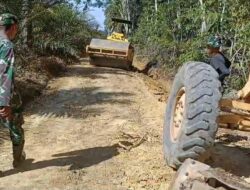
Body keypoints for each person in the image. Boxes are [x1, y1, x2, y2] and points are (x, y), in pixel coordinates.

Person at [0, 13, 25, 168]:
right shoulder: (6, 46)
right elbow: (5, 74)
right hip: (4, 94)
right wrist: (5, 103)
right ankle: (18, 158)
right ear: (14, 27)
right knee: (15, 125)